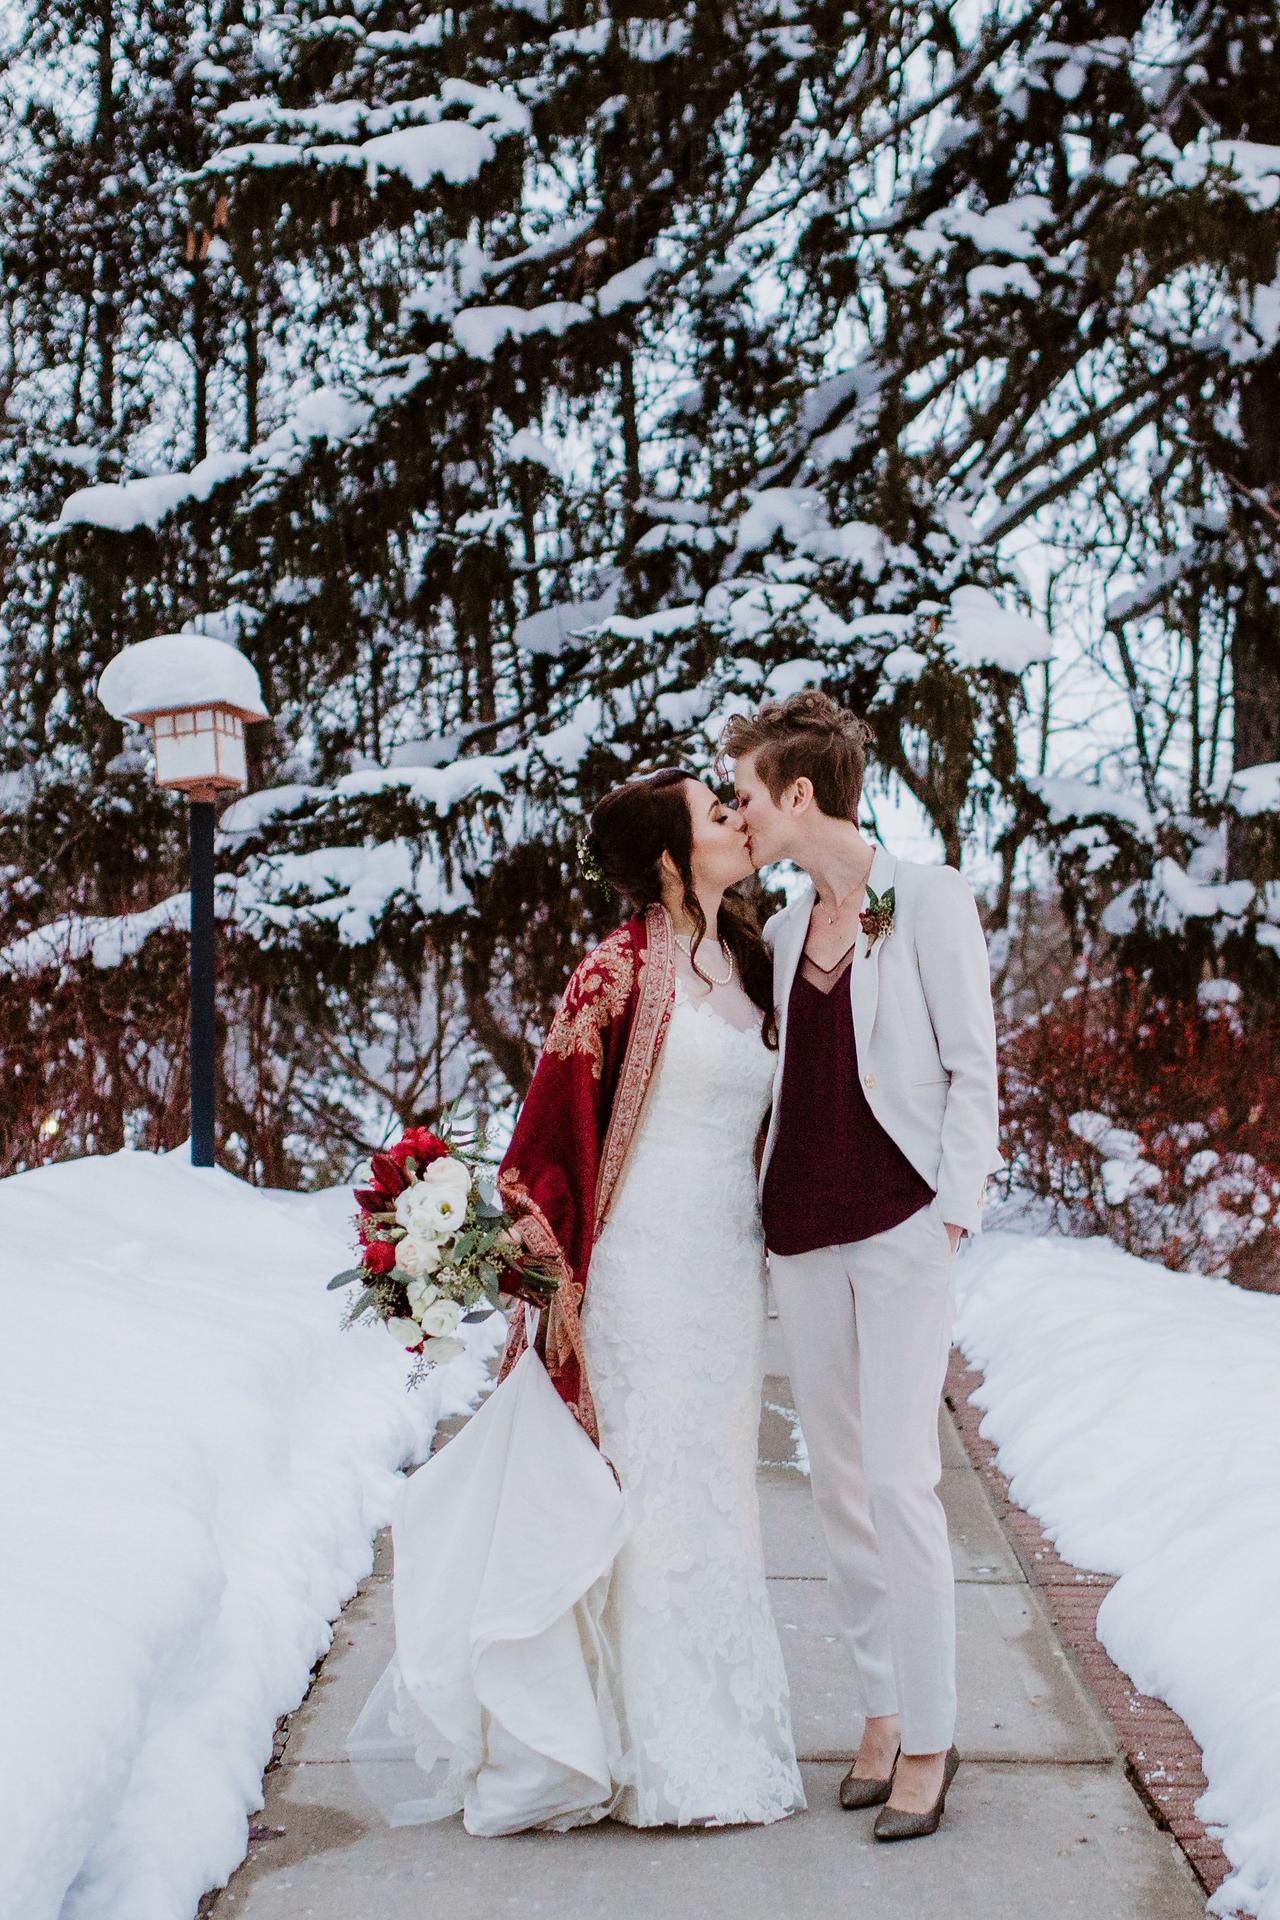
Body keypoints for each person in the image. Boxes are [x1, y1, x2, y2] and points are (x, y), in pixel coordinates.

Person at [348, 768, 804, 1835]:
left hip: (724, 1277)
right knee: (642, 1496)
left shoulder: (753, 958)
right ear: (664, 855)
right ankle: (626, 1748)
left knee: (714, 1497)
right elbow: (548, 1136)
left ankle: (711, 1743)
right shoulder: (612, 971)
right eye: (716, 812)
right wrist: (538, 1264)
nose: (738, 820)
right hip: (638, 1273)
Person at [722, 690, 1001, 1843]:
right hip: (800, 1234)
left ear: (798, 795)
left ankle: (932, 1735)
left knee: (899, 1480)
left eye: (743, 792)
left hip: (897, 1228)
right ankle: (878, 1712)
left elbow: (973, 1067)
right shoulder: (782, 930)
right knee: (836, 1485)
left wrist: (949, 1216)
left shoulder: (927, 896)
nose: (737, 814)